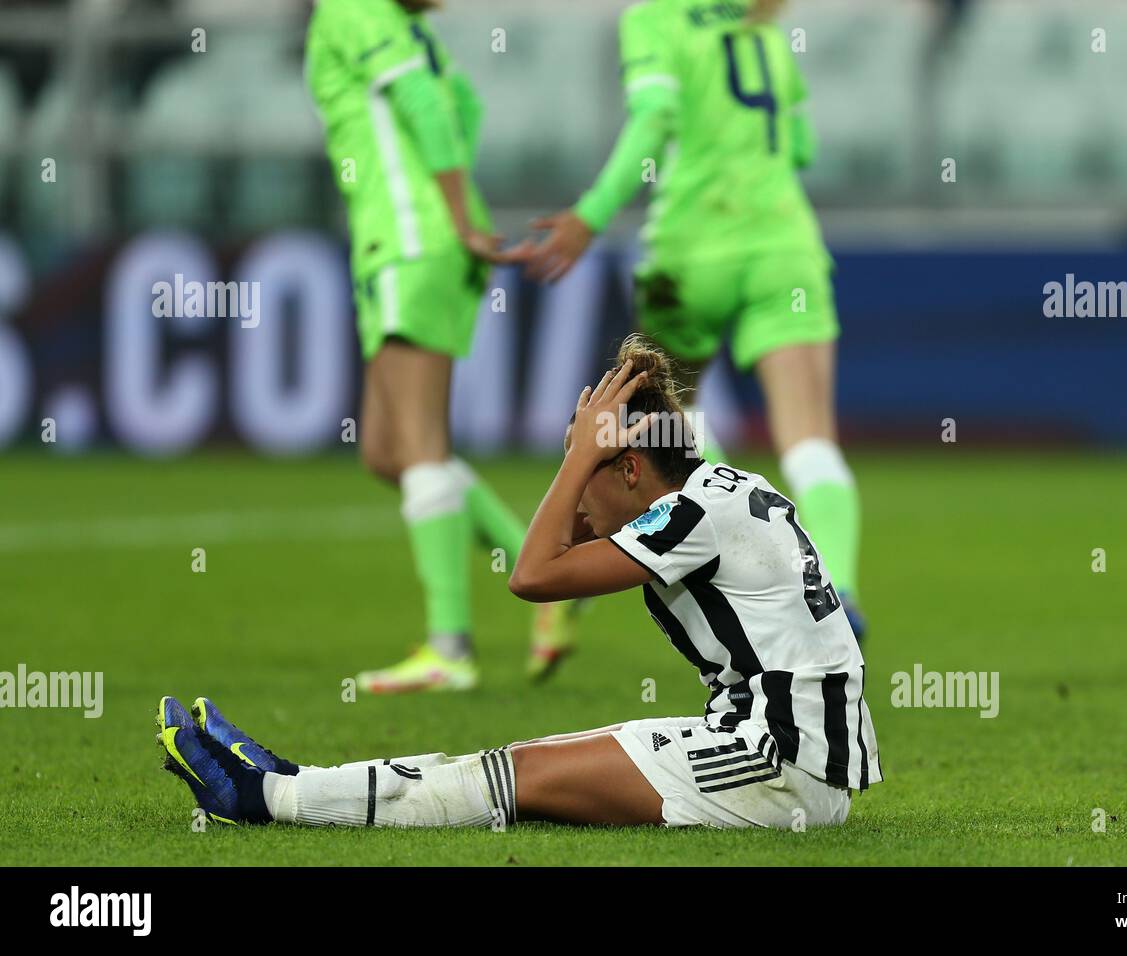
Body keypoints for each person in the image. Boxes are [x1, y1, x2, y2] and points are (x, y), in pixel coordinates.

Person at [155, 338, 882, 830]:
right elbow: (559, 546)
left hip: (779, 768)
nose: (573, 491)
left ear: (630, 468)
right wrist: (586, 456)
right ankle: (291, 782)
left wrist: (578, 460)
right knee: (518, 768)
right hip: (781, 754)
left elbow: (532, 573)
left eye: (585, 469)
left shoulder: (691, 515)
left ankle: (267, 797)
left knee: (516, 779)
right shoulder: (716, 494)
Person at [524, 0, 869, 638]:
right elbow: (801, 146)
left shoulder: (656, 19)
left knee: (664, 430)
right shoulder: (761, 26)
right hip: (782, 248)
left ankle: (702, 562)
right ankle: (838, 591)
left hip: (689, 253)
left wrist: (591, 214)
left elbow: (653, 117)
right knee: (811, 440)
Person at [305, 0, 576, 690]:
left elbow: (428, 107)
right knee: (386, 450)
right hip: (425, 241)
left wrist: (449, 215)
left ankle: (449, 648)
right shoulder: (411, 28)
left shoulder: (350, 11)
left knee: (419, 446)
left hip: (408, 239)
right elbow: (465, 105)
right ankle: (537, 559)